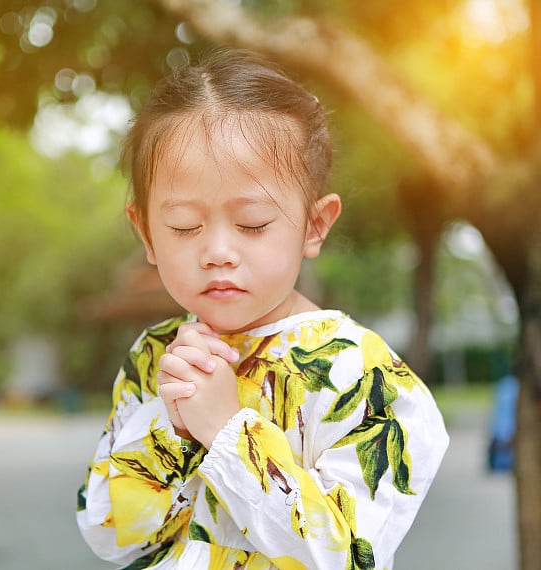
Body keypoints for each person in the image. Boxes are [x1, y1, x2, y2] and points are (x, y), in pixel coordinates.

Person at [76, 49, 449, 570]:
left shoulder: (365, 376)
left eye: (252, 223)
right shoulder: (157, 355)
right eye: (184, 226)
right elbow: (109, 535)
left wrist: (230, 432)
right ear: (146, 233)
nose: (218, 251)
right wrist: (173, 429)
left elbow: (347, 557)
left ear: (315, 225)